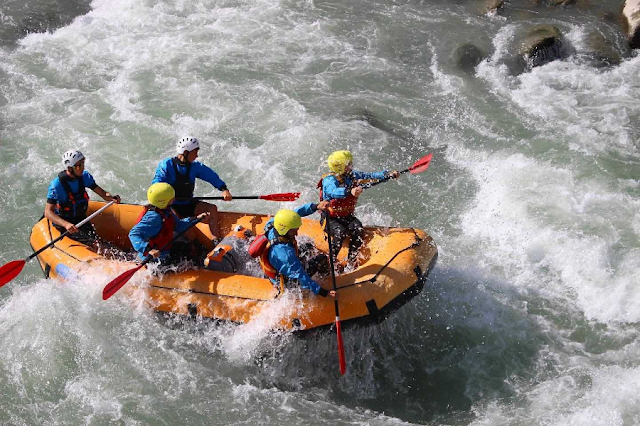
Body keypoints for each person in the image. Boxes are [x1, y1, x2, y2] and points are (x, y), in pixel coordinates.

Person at [318, 150, 399, 263]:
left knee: (358, 228)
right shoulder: (329, 180)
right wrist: (349, 191)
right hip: (330, 219)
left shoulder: (353, 176)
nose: (351, 165)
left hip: (346, 216)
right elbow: (333, 192)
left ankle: (351, 261)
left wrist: (387, 175)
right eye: (348, 164)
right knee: (340, 232)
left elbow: (371, 177)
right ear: (340, 166)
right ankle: (330, 261)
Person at [152, 136, 232, 242]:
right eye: (195, 152)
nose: (197, 155)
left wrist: (224, 189)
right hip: (171, 206)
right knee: (187, 231)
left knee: (212, 208)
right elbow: (156, 185)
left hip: (188, 203)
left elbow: (210, 175)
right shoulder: (166, 165)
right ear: (186, 152)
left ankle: (215, 242)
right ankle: (195, 246)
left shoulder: (194, 166)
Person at [257, 202, 336, 298]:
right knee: (321, 259)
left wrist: (316, 206)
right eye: (294, 230)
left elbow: (296, 213)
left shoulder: (272, 224)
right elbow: (301, 277)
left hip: (279, 264)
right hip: (288, 280)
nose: (297, 233)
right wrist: (323, 292)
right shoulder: (286, 254)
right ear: (284, 229)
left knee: (308, 246)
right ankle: (327, 278)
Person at [45, 149, 121, 247]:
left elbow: (102, 193)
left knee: (97, 241)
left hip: (80, 219)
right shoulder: (56, 185)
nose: (82, 168)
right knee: (95, 244)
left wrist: (111, 198)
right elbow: (48, 212)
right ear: (69, 168)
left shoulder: (84, 176)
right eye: (78, 166)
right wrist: (66, 224)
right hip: (65, 222)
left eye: (83, 164)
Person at [129, 183, 209, 268]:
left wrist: (197, 218)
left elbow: (179, 225)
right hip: (154, 260)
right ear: (163, 201)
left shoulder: (166, 210)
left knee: (185, 248)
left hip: (165, 252)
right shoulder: (154, 217)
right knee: (185, 261)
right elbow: (133, 234)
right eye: (172, 197)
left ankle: (202, 266)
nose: (174, 199)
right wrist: (148, 250)